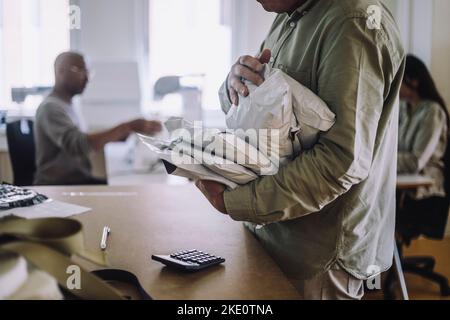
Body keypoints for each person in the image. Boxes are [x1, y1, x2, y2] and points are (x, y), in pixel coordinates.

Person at [196, 0, 405, 300]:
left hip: (317, 254)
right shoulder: (289, 16)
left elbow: (341, 162)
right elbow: (263, 113)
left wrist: (238, 202)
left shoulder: (353, 21)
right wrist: (234, 86)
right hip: (274, 236)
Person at [34, 52, 162, 185]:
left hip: (75, 181)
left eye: (88, 72)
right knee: (126, 191)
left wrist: (126, 133)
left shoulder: (68, 104)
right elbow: (77, 145)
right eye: (81, 71)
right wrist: (127, 127)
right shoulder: (50, 108)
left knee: (125, 187)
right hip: (57, 186)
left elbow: (83, 140)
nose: (87, 78)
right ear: (61, 70)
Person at [397, 55, 449, 241]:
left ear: (414, 80)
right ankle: (389, 266)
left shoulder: (432, 111)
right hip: (403, 184)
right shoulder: (403, 108)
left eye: (399, 80)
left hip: (425, 192)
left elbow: (415, 161)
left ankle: (390, 268)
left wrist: (382, 160)